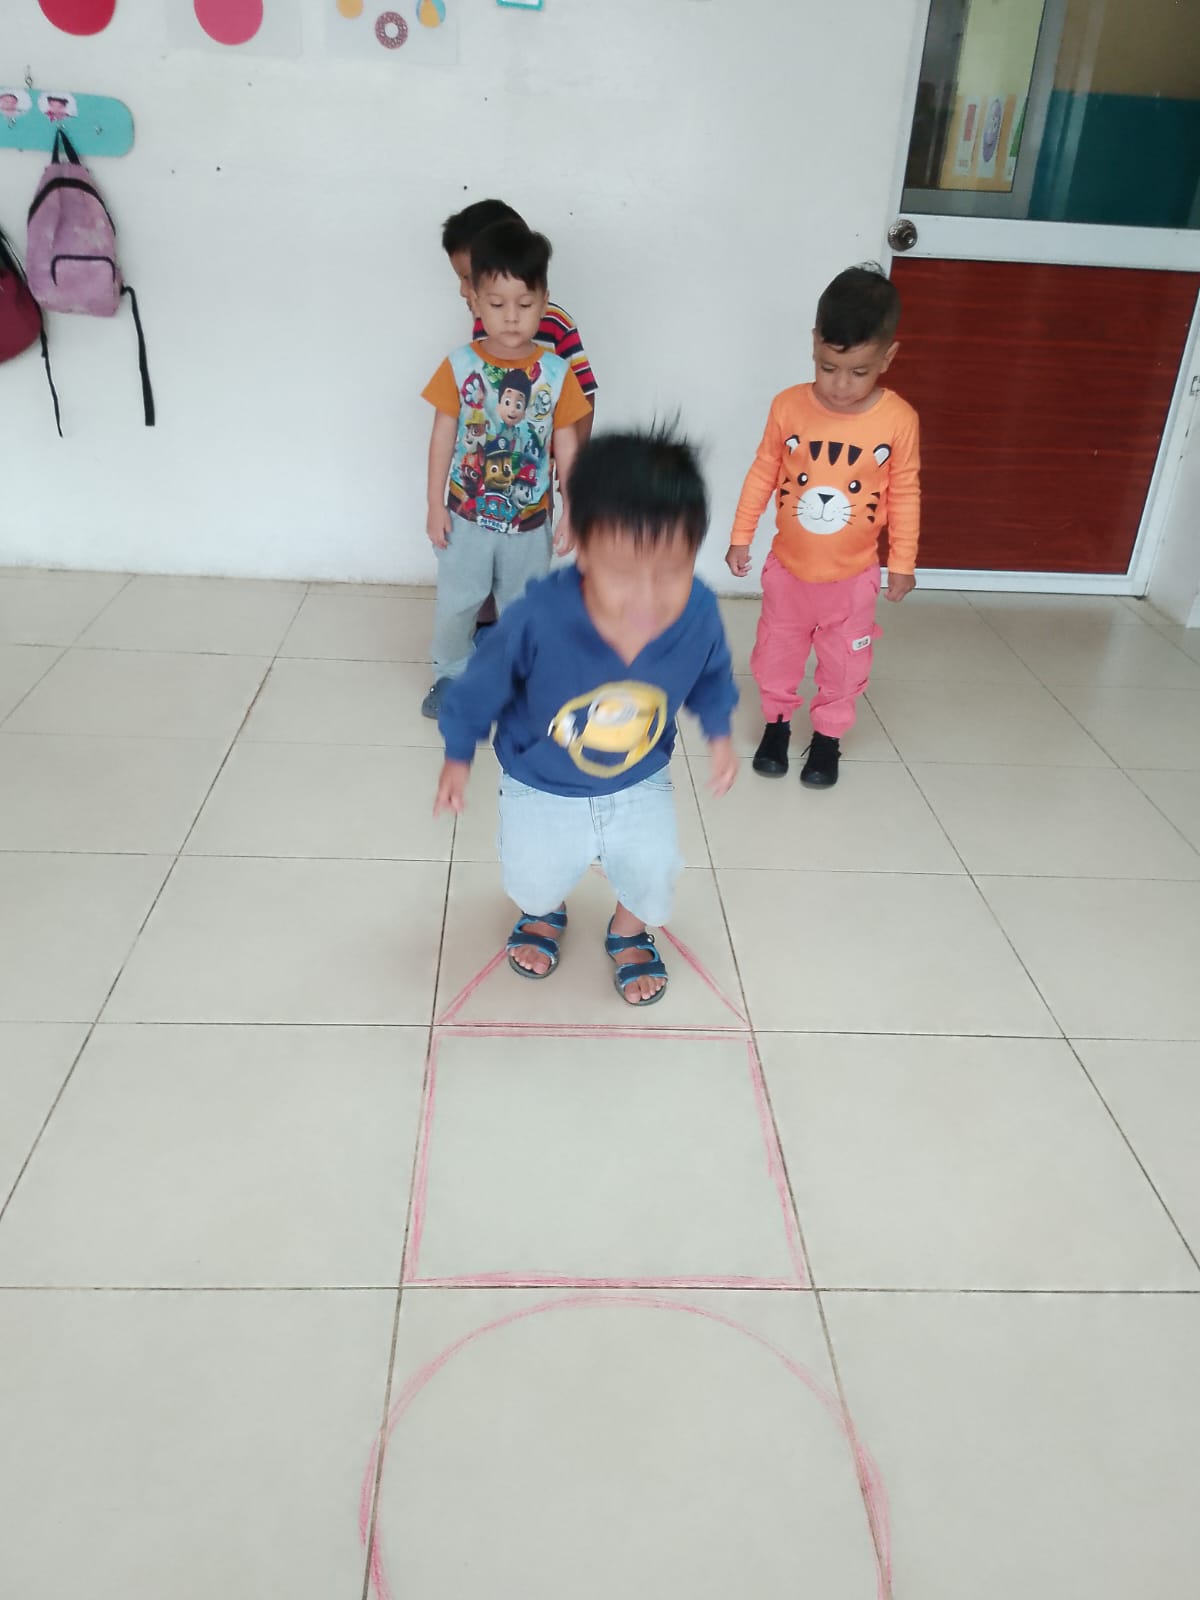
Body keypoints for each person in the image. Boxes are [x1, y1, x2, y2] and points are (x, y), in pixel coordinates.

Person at [434, 427, 739, 1007]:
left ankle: (628, 929)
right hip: (539, 777)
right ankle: (544, 912)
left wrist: (719, 732)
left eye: (671, 570)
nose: (647, 598)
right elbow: (480, 685)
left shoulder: (696, 610)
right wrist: (457, 753)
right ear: (583, 550)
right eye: (624, 572)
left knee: (653, 872)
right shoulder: (538, 616)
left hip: (638, 773)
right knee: (532, 880)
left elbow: (712, 670)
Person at [726, 263, 920, 789]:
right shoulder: (789, 406)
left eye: (858, 372)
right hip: (789, 571)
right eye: (828, 366)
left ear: (888, 357)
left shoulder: (898, 420)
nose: (839, 385)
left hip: (852, 579)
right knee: (777, 653)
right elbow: (763, 472)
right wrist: (741, 535)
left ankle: (828, 738)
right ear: (814, 342)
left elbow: (904, 493)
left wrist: (903, 562)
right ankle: (776, 726)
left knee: (844, 664)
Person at [420, 220, 593, 718]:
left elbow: (567, 444)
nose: (512, 317)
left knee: (523, 607)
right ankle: (451, 675)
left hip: (530, 523)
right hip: (466, 517)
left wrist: (572, 509)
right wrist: (434, 505)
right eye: (497, 304)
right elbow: (442, 438)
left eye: (525, 304)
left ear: (544, 302)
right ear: (475, 301)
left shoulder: (557, 374)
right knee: (458, 602)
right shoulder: (458, 367)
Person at [441, 198, 598, 632]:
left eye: (466, 277)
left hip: (533, 472)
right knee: (478, 555)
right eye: (463, 280)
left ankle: (517, 629)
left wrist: (569, 472)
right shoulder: (485, 325)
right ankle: (484, 626)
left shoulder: (555, 324)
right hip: (483, 473)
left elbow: (582, 395)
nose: (463, 291)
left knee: (522, 561)